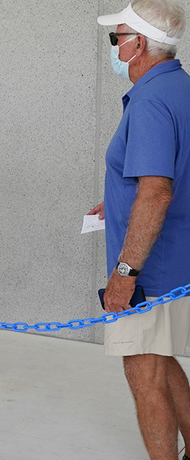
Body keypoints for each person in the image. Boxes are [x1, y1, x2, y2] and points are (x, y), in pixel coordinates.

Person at [90, 1, 190, 458]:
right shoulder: (180, 89)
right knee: (163, 362)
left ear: (140, 45)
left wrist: (124, 274)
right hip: (176, 260)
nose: (114, 47)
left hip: (150, 271)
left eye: (118, 39)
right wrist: (116, 202)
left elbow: (156, 193)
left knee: (144, 372)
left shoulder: (149, 100)